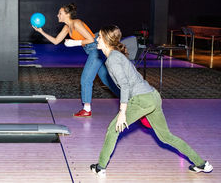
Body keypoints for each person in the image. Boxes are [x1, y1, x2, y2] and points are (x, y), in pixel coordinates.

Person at [90, 25, 213, 176]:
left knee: (112, 130)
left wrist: (123, 111)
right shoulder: (116, 55)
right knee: (166, 136)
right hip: (152, 96)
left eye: (100, 37)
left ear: (107, 41)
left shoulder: (113, 59)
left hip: (142, 100)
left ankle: (100, 167)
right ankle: (202, 163)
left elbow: (125, 85)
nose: (97, 39)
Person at [32, 3, 119, 117]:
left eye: (60, 13)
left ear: (67, 14)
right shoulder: (67, 27)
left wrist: (75, 43)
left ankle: (86, 109)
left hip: (96, 49)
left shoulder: (76, 23)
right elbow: (56, 41)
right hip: (92, 50)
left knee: (86, 79)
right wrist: (41, 31)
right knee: (105, 79)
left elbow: (91, 39)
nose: (57, 15)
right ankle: (128, 99)